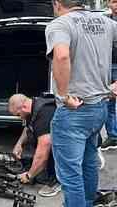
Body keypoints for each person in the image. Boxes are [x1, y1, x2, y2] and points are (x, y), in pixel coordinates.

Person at [45, 0, 117, 206]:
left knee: (69, 173)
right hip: (99, 108)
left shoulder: (60, 24)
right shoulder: (105, 22)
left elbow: (62, 56)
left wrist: (63, 95)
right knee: (88, 162)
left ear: (57, 3)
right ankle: (87, 201)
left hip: (75, 110)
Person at [8, 94, 61, 197]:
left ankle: (57, 180)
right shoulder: (33, 105)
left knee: (47, 148)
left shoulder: (44, 114)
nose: (20, 118)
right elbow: (29, 127)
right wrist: (19, 144)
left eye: (19, 115)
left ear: (23, 107)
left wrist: (29, 176)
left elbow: (43, 150)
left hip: (73, 141)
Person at [101, 0, 117, 151]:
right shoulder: (105, 22)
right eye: (114, 1)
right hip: (108, 65)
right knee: (108, 103)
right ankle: (113, 136)